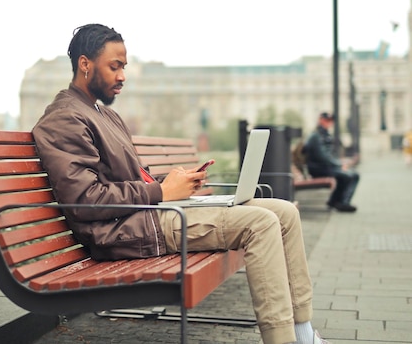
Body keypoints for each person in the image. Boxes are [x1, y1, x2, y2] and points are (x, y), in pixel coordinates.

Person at [32, 23, 329, 344]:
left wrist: (176, 183)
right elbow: (84, 201)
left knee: (284, 212)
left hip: (149, 214)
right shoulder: (65, 118)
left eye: (124, 67)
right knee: (260, 223)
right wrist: (161, 191)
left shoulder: (104, 115)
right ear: (85, 64)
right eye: (114, 66)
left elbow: (134, 178)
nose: (123, 76)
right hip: (123, 231)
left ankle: (303, 333)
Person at [302, 112, 359, 212]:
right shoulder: (316, 136)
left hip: (325, 167)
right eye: (326, 120)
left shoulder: (324, 134)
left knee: (351, 175)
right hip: (318, 169)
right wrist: (340, 165)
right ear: (320, 120)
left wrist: (339, 164)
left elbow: (328, 156)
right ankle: (343, 203)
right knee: (348, 175)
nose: (329, 123)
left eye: (330, 121)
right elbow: (322, 157)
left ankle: (335, 201)